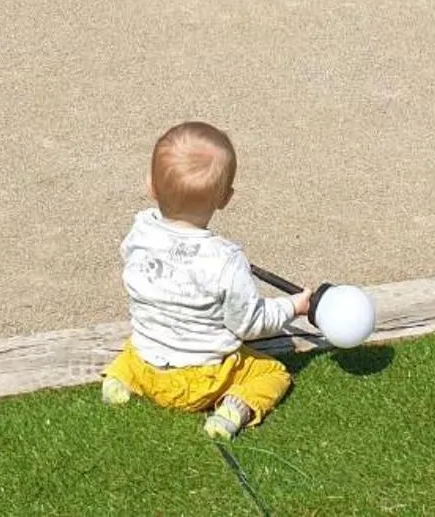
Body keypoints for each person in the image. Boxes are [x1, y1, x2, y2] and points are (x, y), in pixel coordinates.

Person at [101, 121, 311, 440]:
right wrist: (293, 307)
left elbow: (128, 260)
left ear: (151, 186)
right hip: (203, 380)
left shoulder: (140, 230)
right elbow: (250, 324)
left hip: (146, 367)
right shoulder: (226, 260)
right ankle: (233, 410)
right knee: (273, 373)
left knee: (135, 345)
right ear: (225, 198)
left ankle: (119, 378)